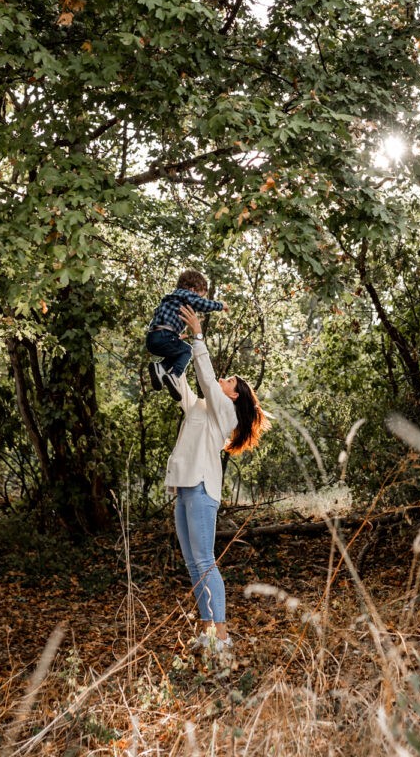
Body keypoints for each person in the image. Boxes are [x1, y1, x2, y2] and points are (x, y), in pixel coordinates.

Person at [166, 303, 270, 654]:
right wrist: (175, 349)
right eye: (224, 378)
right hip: (185, 488)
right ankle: (208, 632)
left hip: (201, 489)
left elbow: (207, 380)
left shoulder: (226, 412)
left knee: (204, 560)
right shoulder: (204, 408)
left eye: (229, 381)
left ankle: (222, 637)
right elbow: (183, 387)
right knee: (193, 563)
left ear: (234, 394)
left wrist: (198, 336)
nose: (223, 380)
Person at [146, 268, 226, 401]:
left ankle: (160, 367)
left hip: (152, 338)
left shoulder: (172, 298)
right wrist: (220, 305)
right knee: (187, 350)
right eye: (199, 295)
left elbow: (164, 318)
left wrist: (175, 336)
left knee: (179, 351)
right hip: (165, 335)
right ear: (193, 289)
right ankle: (174, 376)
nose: (198, 299)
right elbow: (202, 304)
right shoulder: (187, 294)